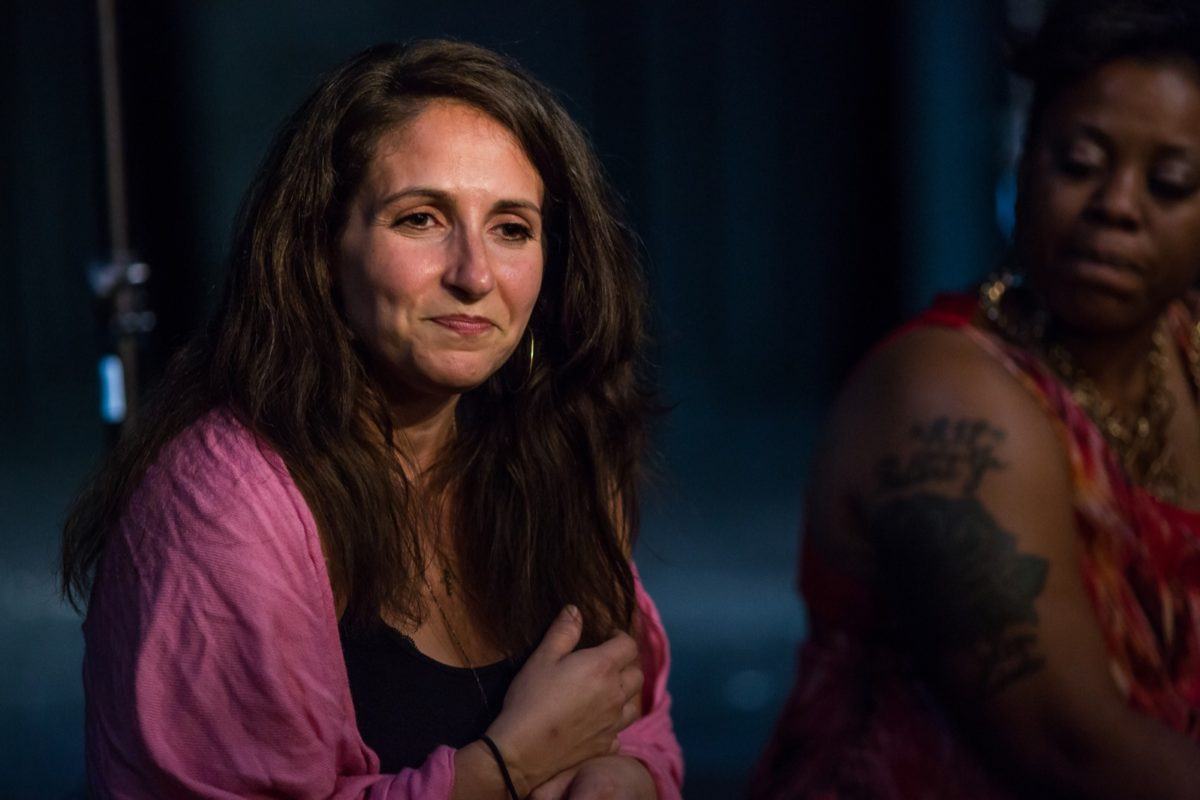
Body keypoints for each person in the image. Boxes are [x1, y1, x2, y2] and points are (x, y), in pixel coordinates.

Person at [62, 40, 682, 799]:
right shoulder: (222, 508)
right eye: (420, 219)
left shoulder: (552, 454)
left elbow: (638, 719)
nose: (475, 274)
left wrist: (624, 777)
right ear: (321, 250)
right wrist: (506, 768)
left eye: (512, 228)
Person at [749, 1, 1200, 797]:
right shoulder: (944, 396)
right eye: (1080, 161)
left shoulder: (1186, 349)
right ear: (1022, 165)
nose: (1117, 206)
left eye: (1169, 184)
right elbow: (1071, 751)